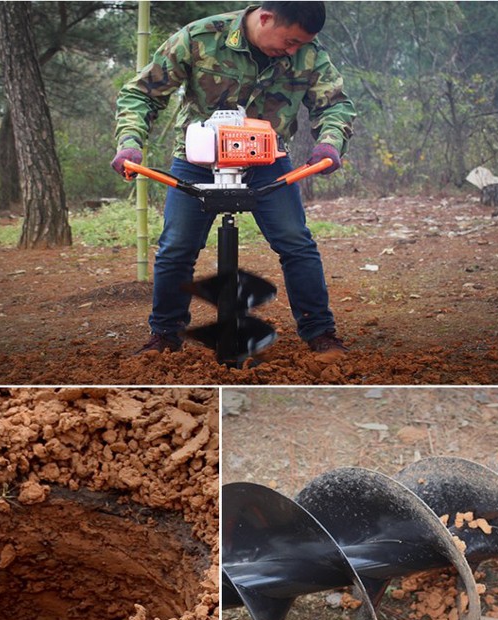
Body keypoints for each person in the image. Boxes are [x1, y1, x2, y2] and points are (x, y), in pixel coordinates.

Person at [111, 1, 356, 357]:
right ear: (266, 17)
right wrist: (130, 143)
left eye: (300, 44)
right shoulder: (200, 37)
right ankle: (164, 335)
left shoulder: (309, 54)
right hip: (199, 159)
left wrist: (330, 143)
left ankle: (321, 333)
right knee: (176, 247)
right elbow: (141, 93)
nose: (293, 50)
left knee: (296, 242)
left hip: (267, 158)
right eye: (289, 41)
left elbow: (334, 104)